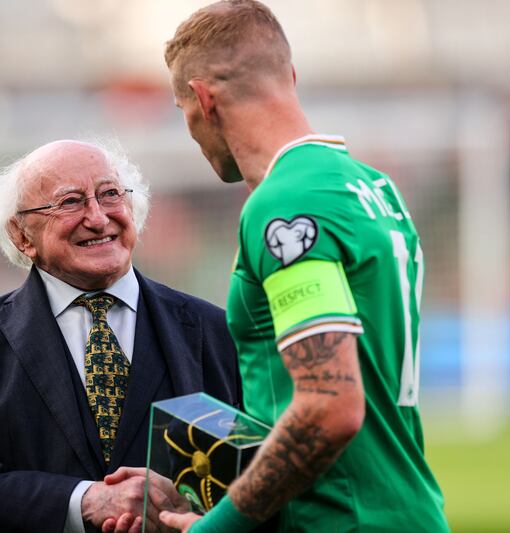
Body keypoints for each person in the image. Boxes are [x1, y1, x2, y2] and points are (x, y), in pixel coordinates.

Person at [156, 1, 450, 531]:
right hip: (405, 507)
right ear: (289, 76)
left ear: (203, 99)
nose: (191, 131)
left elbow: (328, 406)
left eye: (183, 112)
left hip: (340, 519)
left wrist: (215, 527)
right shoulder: (371, 188)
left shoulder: (286, 205)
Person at [0, 139, 241, 533]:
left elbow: (256, 472)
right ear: (22, 235)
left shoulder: (215, 331)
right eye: (71, 202)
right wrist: (86, 499)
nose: (97, 217)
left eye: (110, 194)